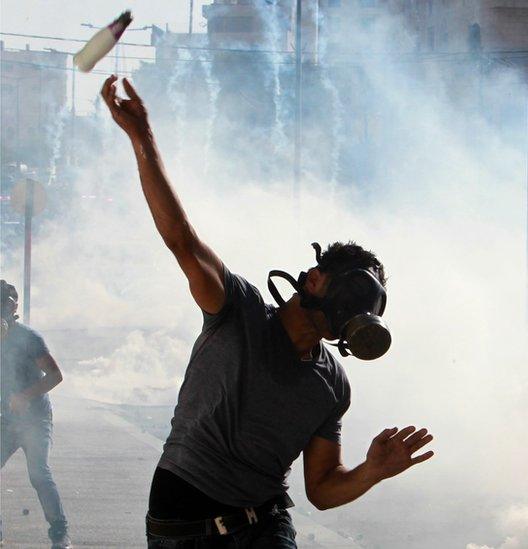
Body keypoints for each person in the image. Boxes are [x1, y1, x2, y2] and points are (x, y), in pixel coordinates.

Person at [99, 75, 435, 547]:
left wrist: (373, 471)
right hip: (185, 524)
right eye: (353, 291)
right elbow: (181, 239)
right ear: (314, 280)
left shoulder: (332, 383)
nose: (355, 310)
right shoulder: (238, 310)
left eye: (368, 305)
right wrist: (143, 139)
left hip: (266, 524)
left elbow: (321, 489)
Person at [0, 280, 72, 549]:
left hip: (35, 419)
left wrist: (25, 396)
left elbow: (56, 375)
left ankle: (59, 534)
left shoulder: (29, 338)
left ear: (13, 308)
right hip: (4, 420)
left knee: (38, 474)